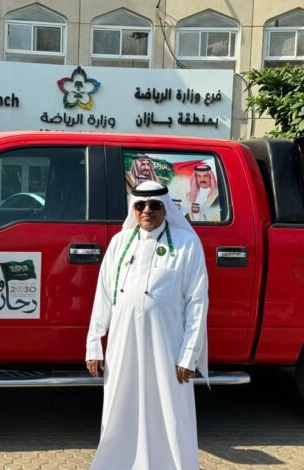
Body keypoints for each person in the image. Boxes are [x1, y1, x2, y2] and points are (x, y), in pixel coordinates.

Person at [86, 180, 209, 470]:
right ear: (133, 208)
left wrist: (189, 355)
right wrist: (94, 344)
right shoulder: (120, 243)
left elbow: (197, 302)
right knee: (120, 406)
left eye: (155, 205)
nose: (147, 211)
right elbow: (103, 295)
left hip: (167, 346)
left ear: (166, 208)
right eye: (140, 205)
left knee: (169, 409)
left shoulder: (187, 243)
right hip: (123, 345)